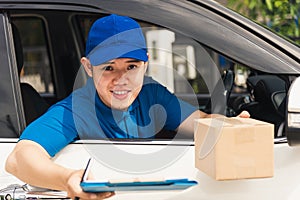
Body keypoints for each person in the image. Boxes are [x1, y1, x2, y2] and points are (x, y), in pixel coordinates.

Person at [5, 14, 250, 200]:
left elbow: (200, 123)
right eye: (108, 68)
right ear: (89, 68)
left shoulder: (152, 95)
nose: (121, 79)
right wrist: (67, 178)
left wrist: (233, 124)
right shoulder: (77, 108)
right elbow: (19, 158)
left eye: (131, 67)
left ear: (146, 65)